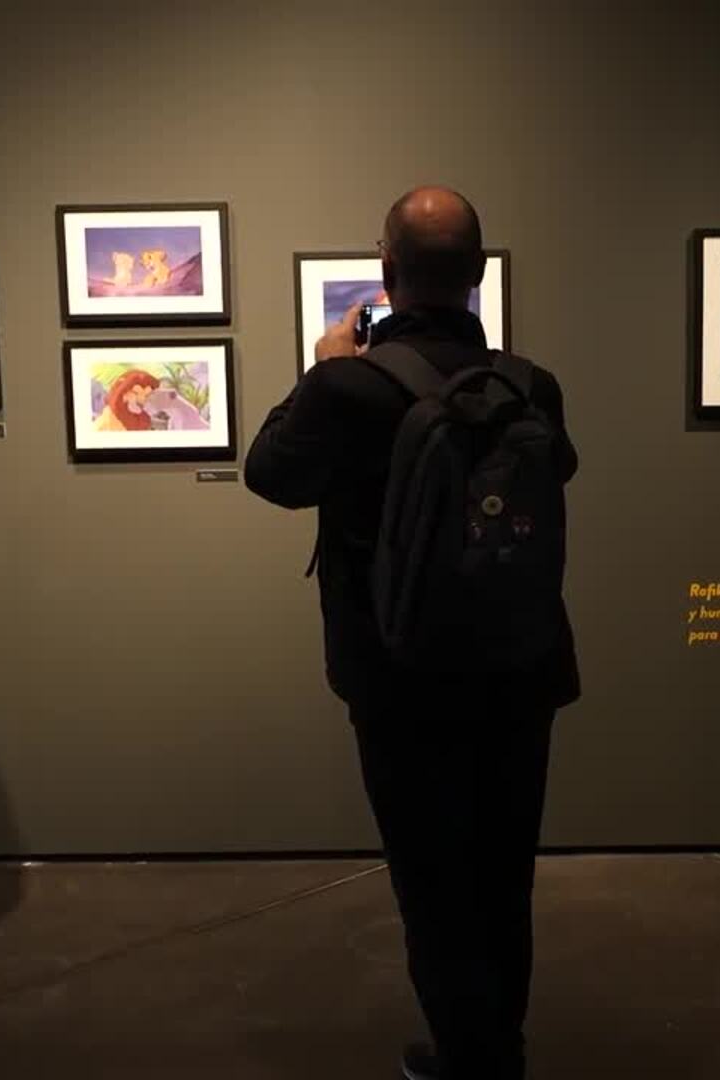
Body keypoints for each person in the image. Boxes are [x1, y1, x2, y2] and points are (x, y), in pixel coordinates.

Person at [245, 186, 578, 1080]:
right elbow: (565, 471)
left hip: (400, 673)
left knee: (430, 878)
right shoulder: (528, 383)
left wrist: (317, 366)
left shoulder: (347, 385)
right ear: (476, 274)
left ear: (386, 271)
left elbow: (268, 474)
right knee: (505, 874)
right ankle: (497, 1048)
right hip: (521, 661)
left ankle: (467, 1059)